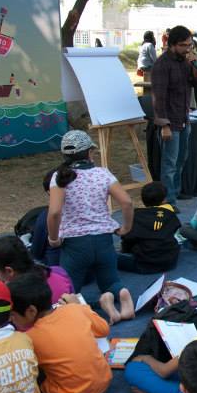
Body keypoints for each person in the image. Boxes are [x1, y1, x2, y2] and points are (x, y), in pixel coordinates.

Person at [47, 129, 133, 307]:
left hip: (74, 244)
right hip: (103, 239)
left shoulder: (60, 177)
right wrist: (126, 228)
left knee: (69, 289)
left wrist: (53, 238)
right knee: (111, 281)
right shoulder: (103, 173)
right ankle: (118, 293)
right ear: (89, 152)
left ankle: (80, 308)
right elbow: (127, 202)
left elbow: (54, 212)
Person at [7, 273, 112, 393]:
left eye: (12, 315)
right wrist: (80, 306)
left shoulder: (29, 338)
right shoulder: (74, 309)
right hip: (104, 381)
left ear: (31, 311)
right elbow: (104, 329)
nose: (10, 320)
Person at [151, 25, 197, 204]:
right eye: (183, 45)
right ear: (172, 44)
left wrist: (196, 66)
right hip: (170, 122)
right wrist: (164, 125)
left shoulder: (185, 62)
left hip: (184, 119)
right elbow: (158, 97)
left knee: (181, 160)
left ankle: (176, 191)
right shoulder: (162, 64)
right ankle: (168, 199)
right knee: (169, 164)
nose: (187, 49)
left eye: (189, 45)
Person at [118, 181, 181, 274]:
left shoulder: (136, 215)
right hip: (170, 262)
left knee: (109, 258)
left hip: (144, 264)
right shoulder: (171, 214)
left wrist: (125, 250)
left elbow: (127, 238)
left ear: (143, 200)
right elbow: (176, 232)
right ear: (164, 200)